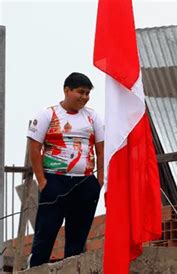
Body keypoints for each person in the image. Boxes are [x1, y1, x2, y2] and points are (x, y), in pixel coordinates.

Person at [27, 72, 104, 267]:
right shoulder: (48, 115)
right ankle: (35, 268)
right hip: (55, 180)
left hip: (85, 182)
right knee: (46, 231)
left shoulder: (93, 117)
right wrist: (42, 181)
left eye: (87, 93)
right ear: (66, 90)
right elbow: (34, 149)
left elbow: (102, 150)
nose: (84, 97)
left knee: (78, 235)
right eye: (80, 92)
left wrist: (100, 181)